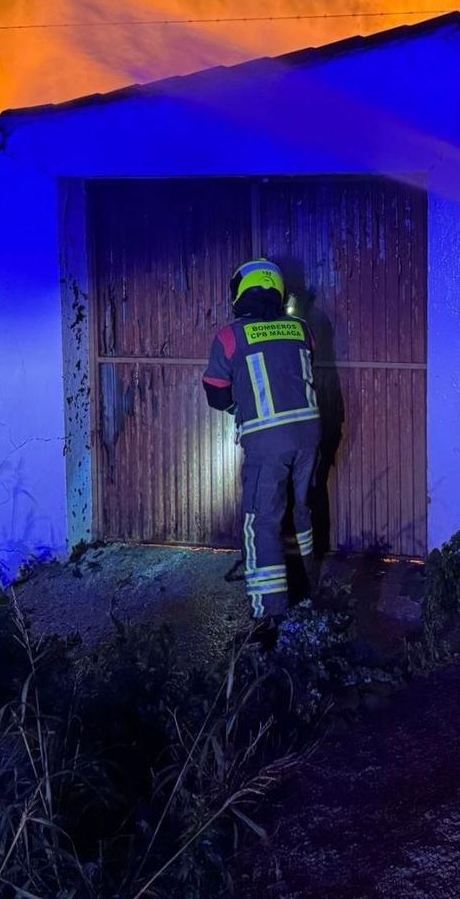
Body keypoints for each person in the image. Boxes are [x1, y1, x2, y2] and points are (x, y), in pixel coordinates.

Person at [202, 258, 322, 642]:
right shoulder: (301, 329)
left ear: (240, 291)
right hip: (311, 432)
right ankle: (310, 583)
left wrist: (243, 401)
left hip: (268, 441)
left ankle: (271, 619)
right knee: (302, 508)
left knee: (262, 522)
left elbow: (216, 395)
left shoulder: (230, 336)